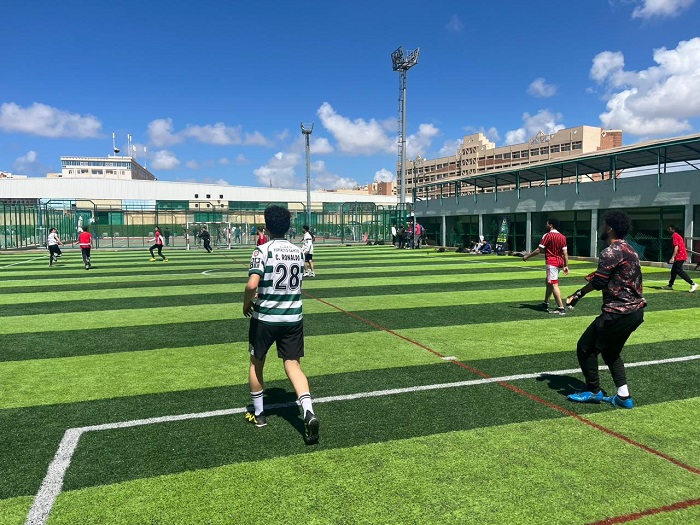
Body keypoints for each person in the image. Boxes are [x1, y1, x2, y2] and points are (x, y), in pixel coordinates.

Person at [243, 205, 319, 443]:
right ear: (288, 226)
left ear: (266, 226)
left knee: (257, 363)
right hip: (293, 317)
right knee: (293, 365)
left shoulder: (262, 250)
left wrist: (246, 303)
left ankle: (259, 415)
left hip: (266, 318)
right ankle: (308, 411)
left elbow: (252, 284)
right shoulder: (297, 252)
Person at [565, 210, 646, 409]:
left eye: (603, 225)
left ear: (609, 228)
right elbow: (620, 274)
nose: (602, 228)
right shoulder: (631, 249)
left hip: (618, 312)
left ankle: (593, 390)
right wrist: (598, 275)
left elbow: (600, 282)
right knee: (611, 352)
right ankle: (623, 397)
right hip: (636, 312)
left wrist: (578, 295)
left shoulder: (610, 251)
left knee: (585, 347)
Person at [523, 218, 569, 315]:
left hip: (551, 262)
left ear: (551, 225)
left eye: (547, 223)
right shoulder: (562, 237)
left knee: (553, 284)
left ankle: (561, 308)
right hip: (559, 262)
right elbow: (565, 253)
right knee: (549, 283)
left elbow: (539, 250)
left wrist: (527, 256)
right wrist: (566, 265)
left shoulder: (547, 235)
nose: (546, 225)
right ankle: (545, 303)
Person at [663, 225, 698, 293]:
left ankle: (692, 283)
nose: (668, 230)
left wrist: (673, 257)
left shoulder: (675, 236)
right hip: (681, 255)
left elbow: (676, 247)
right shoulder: (677, 235)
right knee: (673, 271)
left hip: (679, 256)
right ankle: (670, 285)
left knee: (679, 271)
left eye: (669, 229)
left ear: (673, 229)